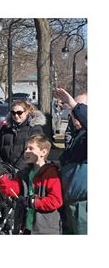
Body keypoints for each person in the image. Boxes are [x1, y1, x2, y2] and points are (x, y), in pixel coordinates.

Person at [0, 134, 63, 234]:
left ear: (43, 152)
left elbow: (56, 200)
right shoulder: (24, 173)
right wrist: (0, 174)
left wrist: (32, 202)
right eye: (26, 148)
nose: (26, 151)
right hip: (26, 227)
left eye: (31, 148)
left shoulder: (51, 173)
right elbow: (11, 189)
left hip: (45, 229)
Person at [56, 88, 87, 234]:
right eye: (73, 110)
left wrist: (75, 105)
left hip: (84, 207)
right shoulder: (75, 136)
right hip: (69, 205)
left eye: (80, 108)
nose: (76, 114)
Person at [0, 100, 46, 175]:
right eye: (13, 113)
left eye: (19, 112)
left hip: (26, 171)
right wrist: (0, 165)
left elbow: (34, 151)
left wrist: (17, 169)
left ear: (26, 112)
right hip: (5, 170)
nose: (16, 115)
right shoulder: (5, 128)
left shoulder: (34, 129)